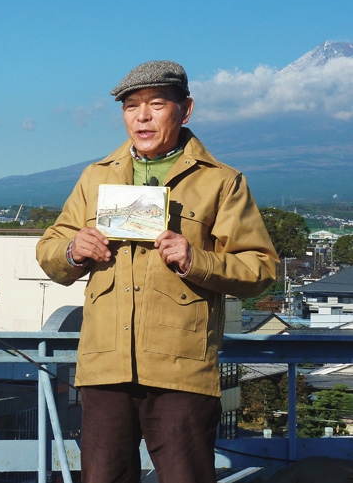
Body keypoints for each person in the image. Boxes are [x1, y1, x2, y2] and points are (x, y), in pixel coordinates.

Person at [36, 60, 279, 483]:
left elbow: (261, 268)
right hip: (104, 368)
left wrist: (194, 258)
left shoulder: (221, 182)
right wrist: (74, 250)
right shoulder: (95, 177)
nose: (142, 116)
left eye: (156, 104)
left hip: (181, 370)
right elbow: (49, 251)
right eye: (131, 106)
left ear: (185, 110)